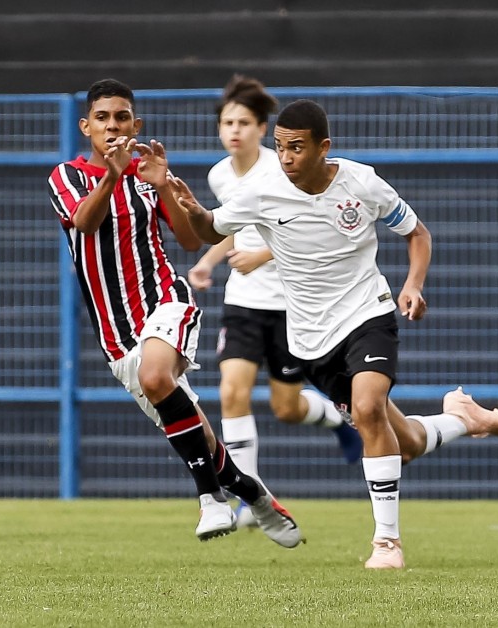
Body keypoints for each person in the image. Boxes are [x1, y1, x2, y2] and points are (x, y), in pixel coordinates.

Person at [169, 99, 498, 569]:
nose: (287, 157)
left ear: (324, 148)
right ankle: (466, 419)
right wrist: (193, 209)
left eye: (297, 147)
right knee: (407, 445)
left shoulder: (361, 182)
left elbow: (418, 233)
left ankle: (387, 544)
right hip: (311, 340)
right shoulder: (262, 192)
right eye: (281, 147)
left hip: (368, 314)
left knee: (367, 407)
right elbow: (211, 232)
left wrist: (412, 285)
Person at [47, 79, 301, 548]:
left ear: (136, 124)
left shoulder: (148, 176)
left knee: (157, 375)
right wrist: (112, 176)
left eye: (122, 117)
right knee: (200, 436)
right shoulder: (68, 176)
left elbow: (190, 241)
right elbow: (84, 222)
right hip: (117, 336)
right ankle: (254, 494)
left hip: (165, 300)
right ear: (86, 127)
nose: (113, 126)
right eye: (102, 118)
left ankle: (209, 499)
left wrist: (164, 186)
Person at [187, 76, 362, 527]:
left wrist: (264, 254)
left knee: (286, 407)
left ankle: (339, 421)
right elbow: (233, 228)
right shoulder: (219, 174)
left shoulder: (282, 168)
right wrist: (209, 261)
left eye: (244, 122)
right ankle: (250, 493)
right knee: (232, 391)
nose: (234, 131)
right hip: (243, 303)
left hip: (289, 303)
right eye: (227, 122)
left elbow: (305, 226)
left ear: (263, 128)